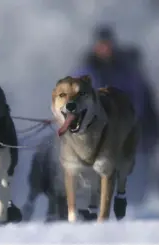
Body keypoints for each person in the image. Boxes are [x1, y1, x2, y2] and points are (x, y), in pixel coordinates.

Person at [72, 24, 159, 204]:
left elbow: (141, 99)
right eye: (101, 45)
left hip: (129, 130)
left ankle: (132, 206)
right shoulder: (87, 70)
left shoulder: (127, 70)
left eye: (107, 44)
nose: (105, 49)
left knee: (134, 173)